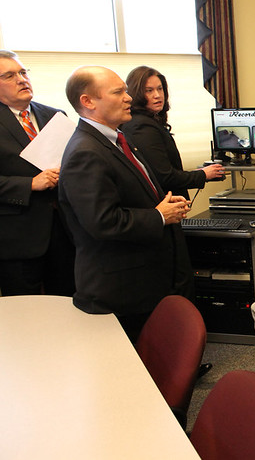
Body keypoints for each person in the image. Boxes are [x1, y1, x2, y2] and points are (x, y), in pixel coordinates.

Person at [59, 65, 191, 342]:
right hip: (120, 288)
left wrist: (163, 201)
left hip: (144, 278)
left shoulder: (119, 139)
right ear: (88, 101)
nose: (129, 97)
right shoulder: (86, 152)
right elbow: (103, 222)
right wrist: (159, 216)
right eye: (118, 92)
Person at [0, 49, 75, 297]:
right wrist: (29, 184)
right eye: (9, 75)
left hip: (66, 229)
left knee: (67, 302)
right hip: (18, 236)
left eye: (23, 72)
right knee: (26, 313)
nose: (21, 79)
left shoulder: (55, 115)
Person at [121, 65, 224, 200]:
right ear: (136, 93)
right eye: (149, 91)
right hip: (164, 205)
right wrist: (203, 175)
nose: (157, 95)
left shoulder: (147, 121)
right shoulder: (141, 126)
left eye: (160, 88)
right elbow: (164, 177)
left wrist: (198, 173)